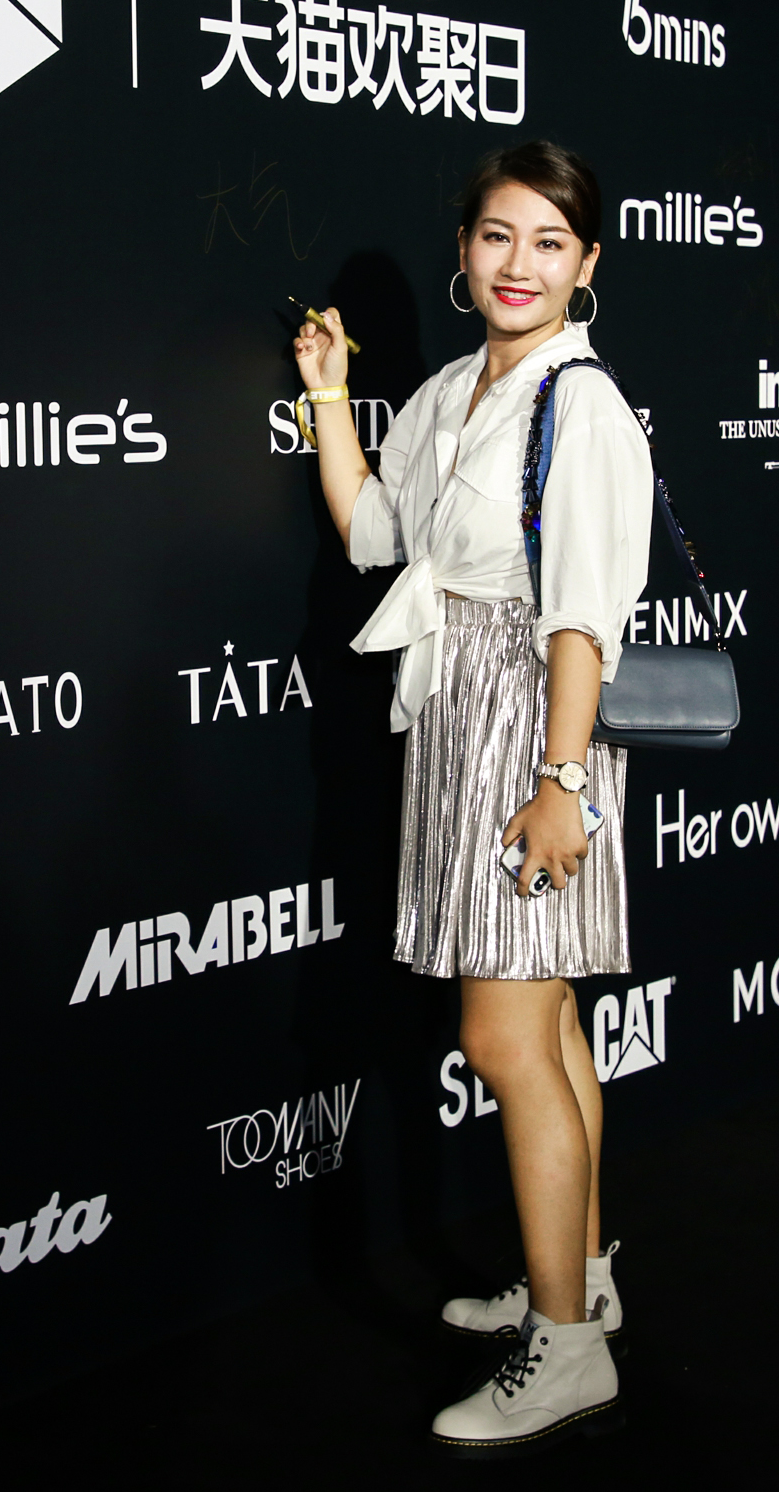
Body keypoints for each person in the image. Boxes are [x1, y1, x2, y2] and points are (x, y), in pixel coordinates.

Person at [292, 140, 651, 1458]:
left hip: (536, 732)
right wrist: (330, 399)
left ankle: (565, 1350)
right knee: (548, 1031)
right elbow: (373, 535)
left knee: (503, 1043)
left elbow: (580, 619)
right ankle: (581, 1282)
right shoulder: (451, 390)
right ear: (463, 249)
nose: (518, 264)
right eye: (498, 235)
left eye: (549, 243)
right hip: (458, 717)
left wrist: (562, 783)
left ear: (586, 265)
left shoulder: (582, 405)